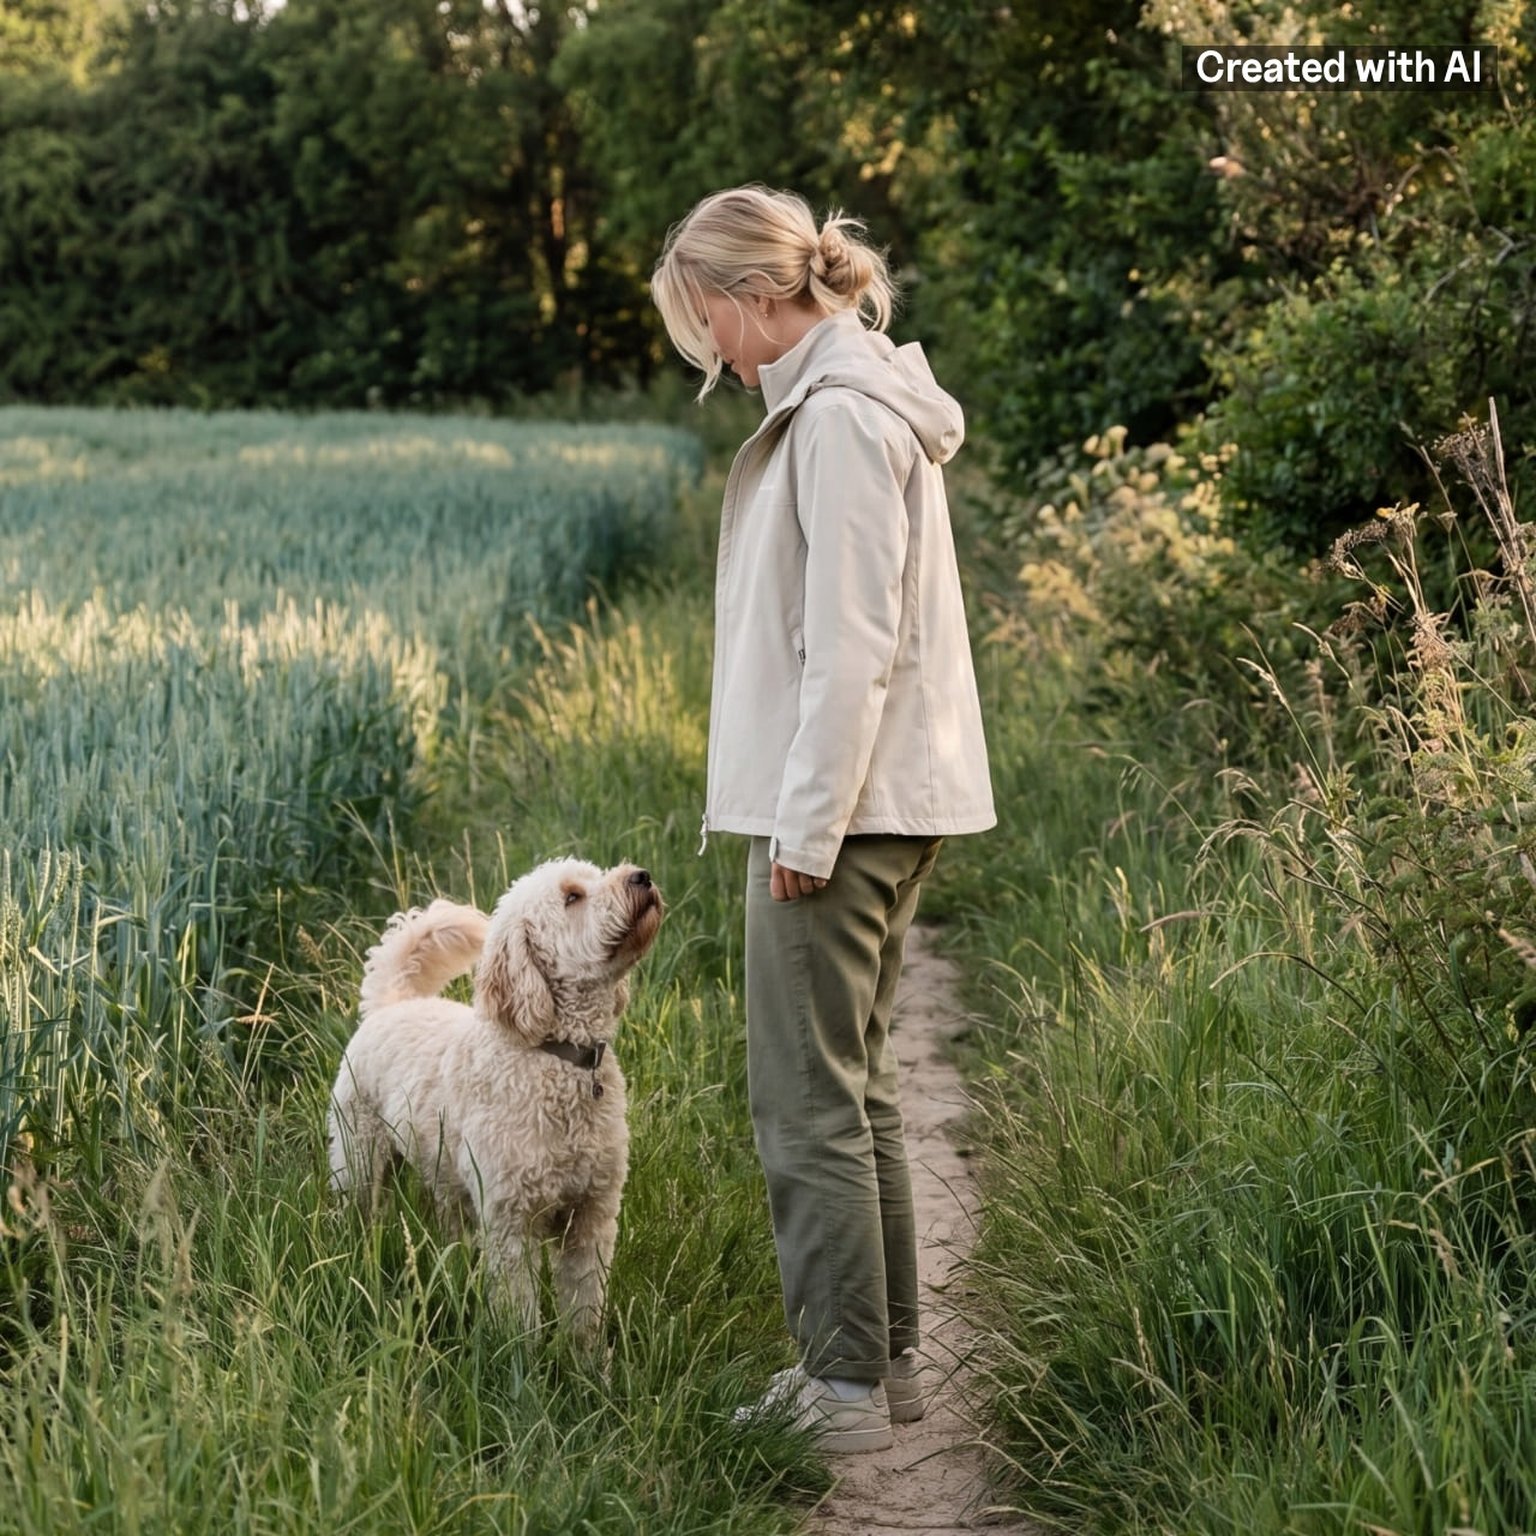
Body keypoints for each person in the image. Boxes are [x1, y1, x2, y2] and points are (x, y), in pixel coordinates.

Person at [651, 185, 995, 1454]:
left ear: (748, 298)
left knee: (805, 1103)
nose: (708, 354)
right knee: (860, 1092)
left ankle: (839, 1392)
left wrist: (803, 828)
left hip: (842, 813)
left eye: (703, 325)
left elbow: (850, 648)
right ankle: (884, 1371)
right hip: (876, 801)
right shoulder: (844, 401)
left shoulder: (841, 419)